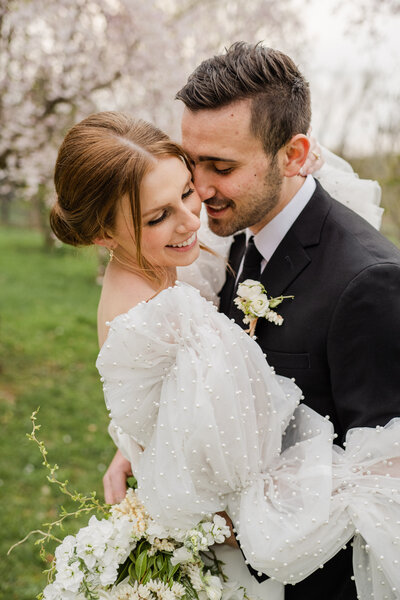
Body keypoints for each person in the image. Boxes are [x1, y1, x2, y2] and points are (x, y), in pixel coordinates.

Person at [102, 43, 400, 600]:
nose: (200, 190)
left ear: (294, 154)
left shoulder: (370, 284)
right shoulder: (242, 234)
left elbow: (388, 482)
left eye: (223, 167)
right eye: (193, 162)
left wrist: (251, 510)